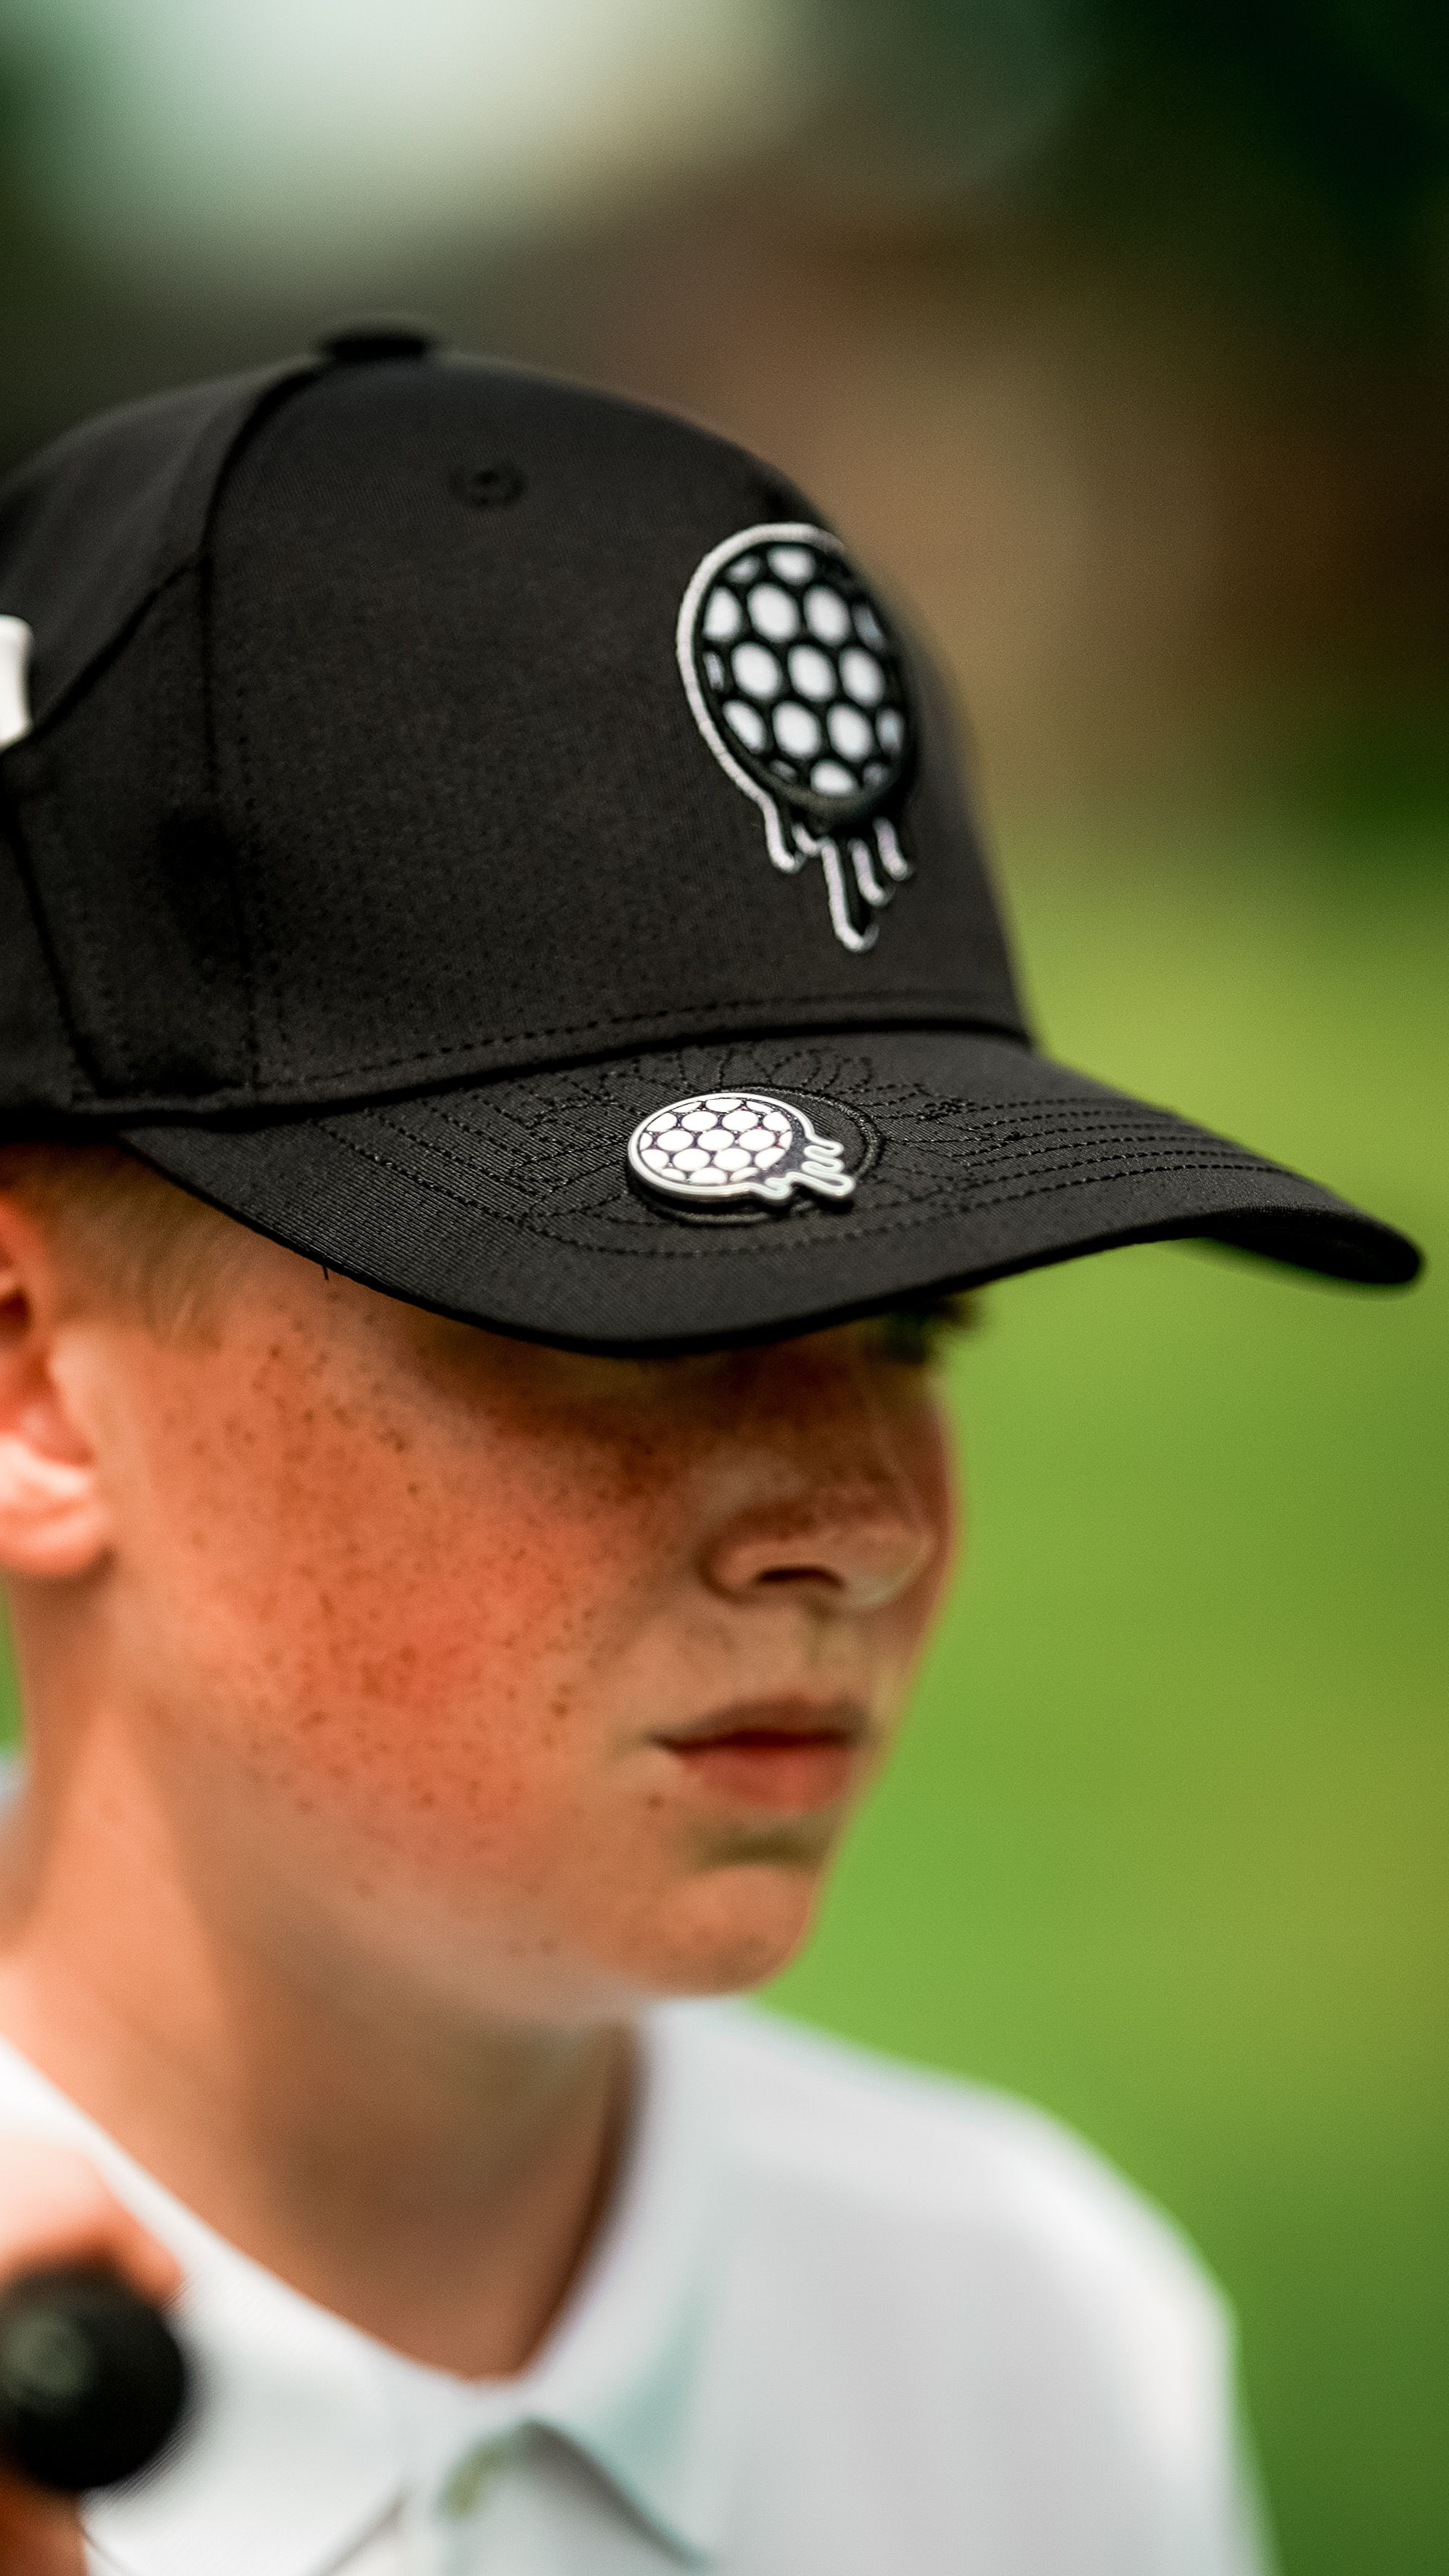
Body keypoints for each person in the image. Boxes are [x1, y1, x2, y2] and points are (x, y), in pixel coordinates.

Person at [0, 327, 1419, 2576]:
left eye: (919, 1322)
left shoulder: (1031, 2338)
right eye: (637, 1326)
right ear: (31, 1377)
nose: (861, 1527)